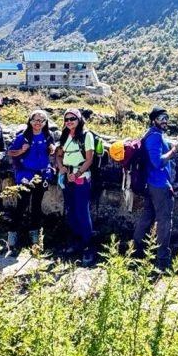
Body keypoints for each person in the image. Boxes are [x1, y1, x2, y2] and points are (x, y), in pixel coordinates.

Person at [132, 105, 178, 271]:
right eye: (161, 118)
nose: (165, 120)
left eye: (166, 117)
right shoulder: (155, 137)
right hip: (158, 184)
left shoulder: (153, 134)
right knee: (164, 221)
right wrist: (173, 151)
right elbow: (158, 161)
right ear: (154, 120)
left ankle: (135, 252)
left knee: (147, 217)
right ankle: (163, 261)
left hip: (150, 183)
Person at [54, 108, 99, 265]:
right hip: (68, 179)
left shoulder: (87, 136)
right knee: (71, 211)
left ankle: (88, 247)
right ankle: (77, 242)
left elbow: (89, 160)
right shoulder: (65, 135)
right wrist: (61, 167)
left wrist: (78, 173)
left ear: (79, 119)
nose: (69, 121)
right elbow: (58, 155)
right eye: (66, 119)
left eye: (72, 118)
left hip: (81, 179)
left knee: (82, 212)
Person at [5, 109, 55, 253]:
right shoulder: (23, 137)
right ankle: (12, 235)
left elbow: (52, 151)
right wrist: (21, 150)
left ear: (45, 123)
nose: (38, 122)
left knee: (37, 206)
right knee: (21, 204)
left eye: (42, 120)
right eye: (36, 119)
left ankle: (34, 237)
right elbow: (10, 152)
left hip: (42, 175)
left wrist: (52, 150)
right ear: (30, 121)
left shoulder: (48, 136)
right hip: (26, 175)